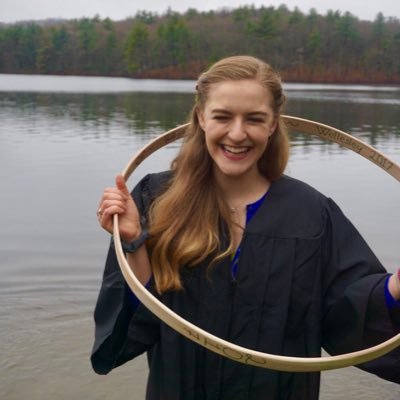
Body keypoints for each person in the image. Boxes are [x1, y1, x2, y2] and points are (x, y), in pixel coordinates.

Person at [91, 55, 400, 399]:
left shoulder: (312, 212)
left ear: (272, 124)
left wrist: (395, 287)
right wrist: (133, 242)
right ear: (201, 118)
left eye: (254, 119)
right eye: (223, 116)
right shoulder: (156, 198)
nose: (237, 134)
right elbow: (135, 328)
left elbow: (345, 313)